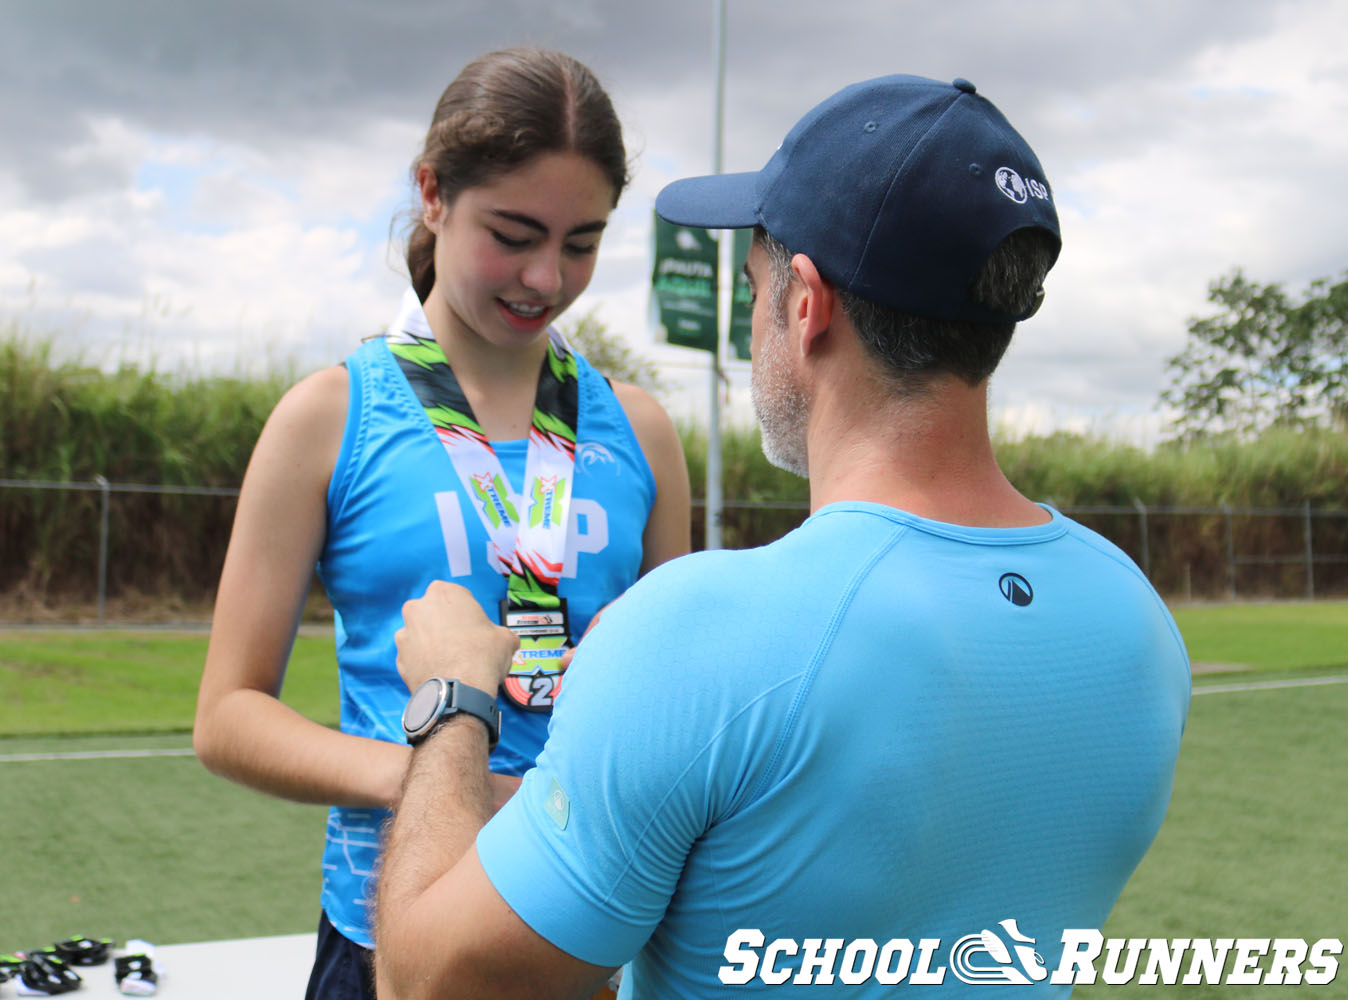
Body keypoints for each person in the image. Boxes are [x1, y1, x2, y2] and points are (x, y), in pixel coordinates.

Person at [373, 74, 1191, 1000]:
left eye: (756, 284)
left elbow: (428, 980)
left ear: (804, 304)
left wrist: (453, 701)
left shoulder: (697, 632)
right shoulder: (1139, 622)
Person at [192, 47, 691, 1000]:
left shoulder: (644, 430)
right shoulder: (329, 416)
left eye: (581, 242)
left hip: (597, 929)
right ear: (433, 193)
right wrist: (438, 776)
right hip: (393, 936)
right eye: (512, 233)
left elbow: (672, 685)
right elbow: (226, 718)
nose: (545, 276)